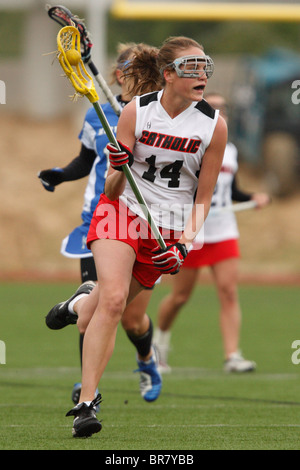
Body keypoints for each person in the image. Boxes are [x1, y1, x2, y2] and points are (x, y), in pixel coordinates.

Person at [45, 37, 228, 438]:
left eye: (204, 66)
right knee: (111, 302)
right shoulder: (136, 112)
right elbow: (111, 191)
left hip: (165, 229)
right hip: (121, 212)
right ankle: (86, 404)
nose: (202, 75)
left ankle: (78, 303)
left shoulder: (213, 125)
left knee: (102, 310)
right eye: (191, 68)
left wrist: (183, 244)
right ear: (167, 75)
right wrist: (117, 167)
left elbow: (204, 196)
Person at [38, 43, 153, 405]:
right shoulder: (98, 116)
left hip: (148, 222)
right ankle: (88, 390)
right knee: (101, 307)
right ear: (118, 75)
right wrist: (59, 174)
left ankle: (147, 360)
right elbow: (85, 162)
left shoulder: (161, 116)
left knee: (131, 318)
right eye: (129, 71)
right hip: (102, 217)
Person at [153, 92, 270, 374]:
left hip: (223, 230)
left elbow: (231, 190)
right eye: (212, 107)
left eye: (222, 108)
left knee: (229, 292)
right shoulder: (189, 143)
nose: (219, 112)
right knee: (180, 296)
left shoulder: (230, 149)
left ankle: (232, 356)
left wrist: (252, 197)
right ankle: (158, 345)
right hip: (192, 231)